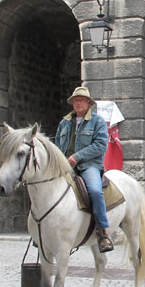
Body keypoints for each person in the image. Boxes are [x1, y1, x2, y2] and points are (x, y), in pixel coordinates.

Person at [55, 86, 113, 253]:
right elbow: (58, 146)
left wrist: (77, 157)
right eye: (76, 100)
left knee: (95, 191)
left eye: (81, 100)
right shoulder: (64, 123)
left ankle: (102, 232)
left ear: (88, 103)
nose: (78, 102)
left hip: (89, 166)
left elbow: (101, 145)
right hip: (66, 167)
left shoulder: (98, 121)